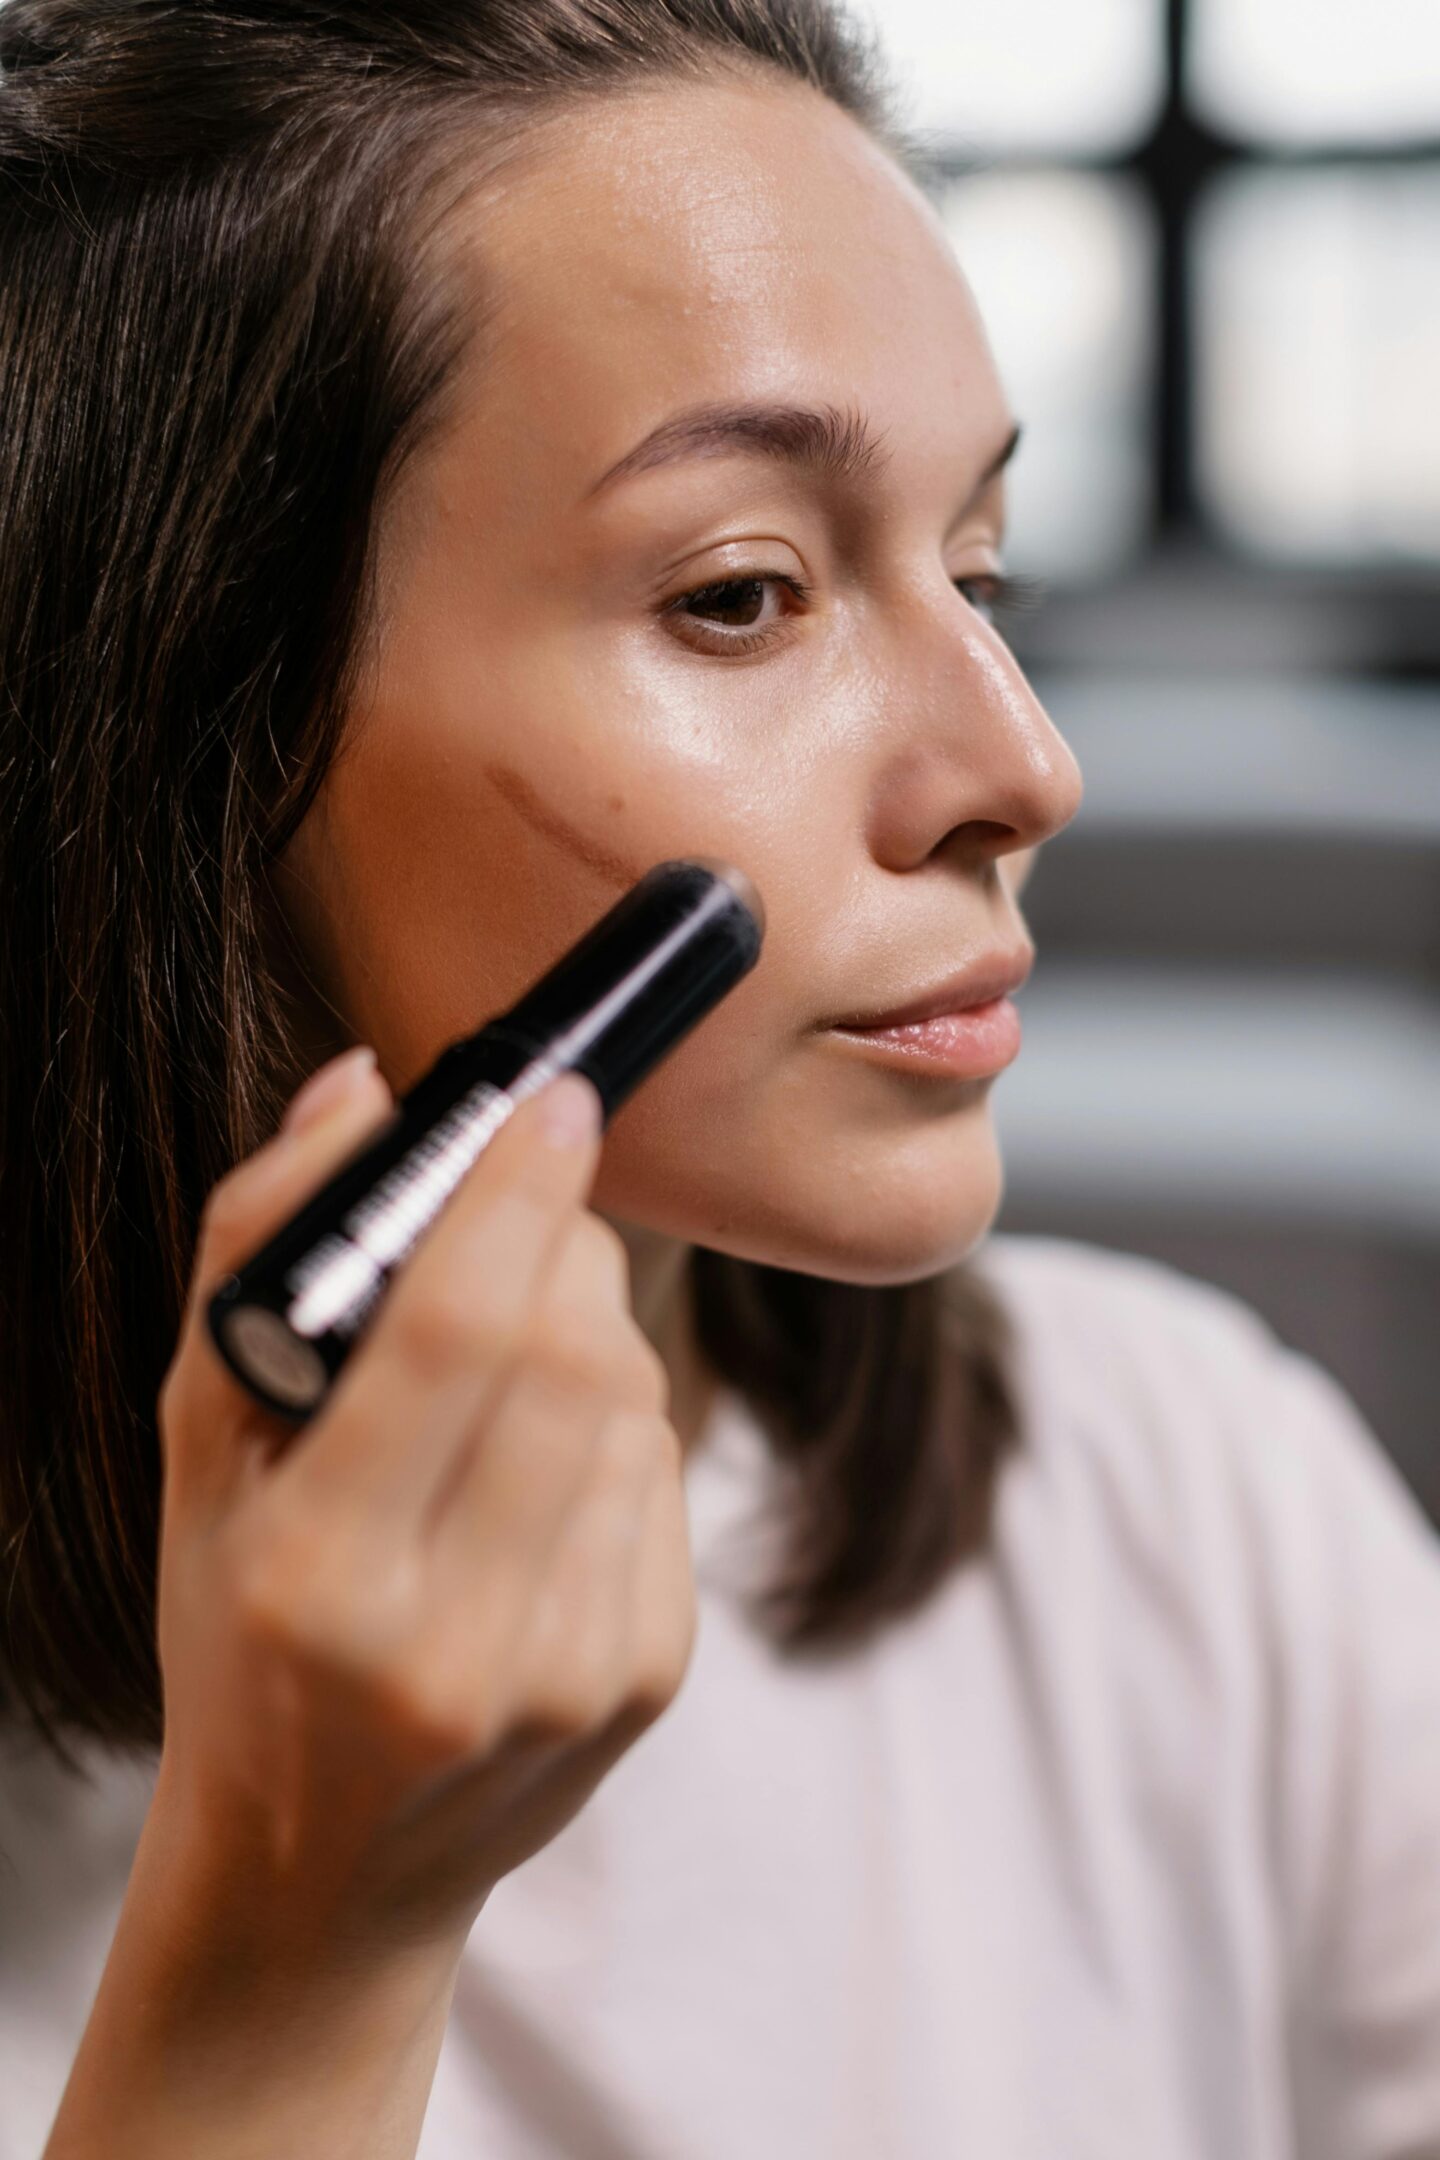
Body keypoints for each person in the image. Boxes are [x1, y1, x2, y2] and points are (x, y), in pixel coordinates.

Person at [2, 2, 1438, 2154]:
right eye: (747, 593)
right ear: (183, 729)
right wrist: (293, 1962)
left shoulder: (1189, 1501)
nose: (1024, 768)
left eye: (982, 572)